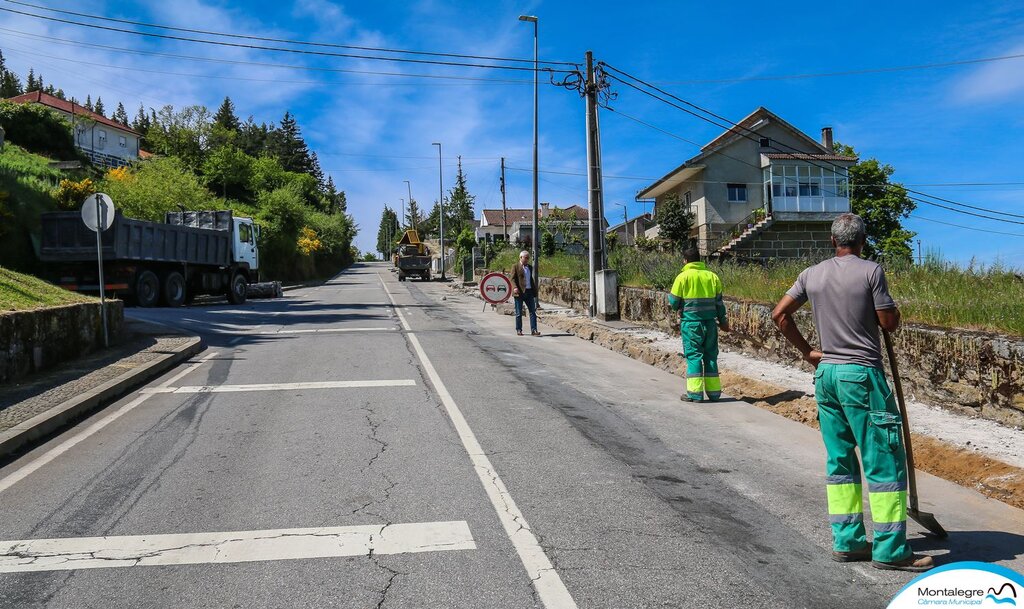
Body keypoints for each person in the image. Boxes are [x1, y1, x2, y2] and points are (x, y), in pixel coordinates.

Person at [771, 213, 934, 572]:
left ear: (833, 241)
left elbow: (780, 315)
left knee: (840, 460)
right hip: (860, 376)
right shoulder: (871, 271)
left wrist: (808, 352)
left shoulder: (810, 275)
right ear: (863, 240)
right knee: (884, 459)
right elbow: (887, 323)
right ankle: (891, 550)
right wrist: (893, 312)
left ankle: (848, 541)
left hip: (826, 375)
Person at [668, 247, 729, 401]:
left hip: (691, 324)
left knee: (694, 357)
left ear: (685, 260)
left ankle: (695, 394)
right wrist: (723, 322)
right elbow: (719, 304)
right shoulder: (712, 277)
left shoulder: (682, 277)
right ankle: (714, 394)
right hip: (710, 324)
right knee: (710, 356)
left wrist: (679, 306)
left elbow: (674, 302)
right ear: (700, 260)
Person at [511, 250, 540, 336]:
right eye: (526, 258)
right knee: (519, 313)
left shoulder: (530, 267)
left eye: (528, 258)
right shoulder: (515, 266)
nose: (527, 259)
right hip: (519, 292)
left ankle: (534, 330)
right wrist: (515, 287)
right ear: (521, 257)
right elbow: (512, 279)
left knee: (532, 312)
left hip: (529, 291)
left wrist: (534, 290)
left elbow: (530, 279)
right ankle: (519, 330)